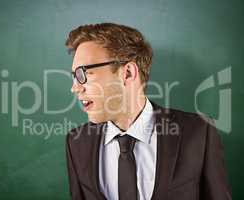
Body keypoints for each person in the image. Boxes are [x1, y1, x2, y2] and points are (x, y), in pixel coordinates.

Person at [65, 23, 231, 200]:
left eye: (83, 73)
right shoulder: (76, 143)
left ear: (127, 73)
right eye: (74, 76)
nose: (75, 88)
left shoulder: (199, 132)